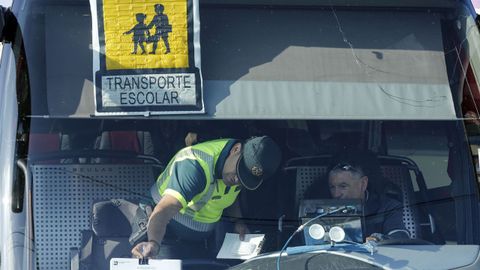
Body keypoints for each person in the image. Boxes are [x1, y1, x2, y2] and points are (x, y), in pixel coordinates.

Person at [131, 136, 282, 258]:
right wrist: (153, 243)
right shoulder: (194, 166)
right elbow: (164, 210)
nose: (238, 180)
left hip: (202, 239)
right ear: (236, 150)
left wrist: (238, 221)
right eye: (239, 172)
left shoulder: (234, 172)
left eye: (245, 179)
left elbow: (229, 195)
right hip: (164, 231)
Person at [326, 150, 410, 242]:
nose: (336, 194)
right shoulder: (320, 208)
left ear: (363, 184)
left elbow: (399, 236)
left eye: (343, 186)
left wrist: (378, 239)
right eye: (332, 187)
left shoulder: (387, 207)